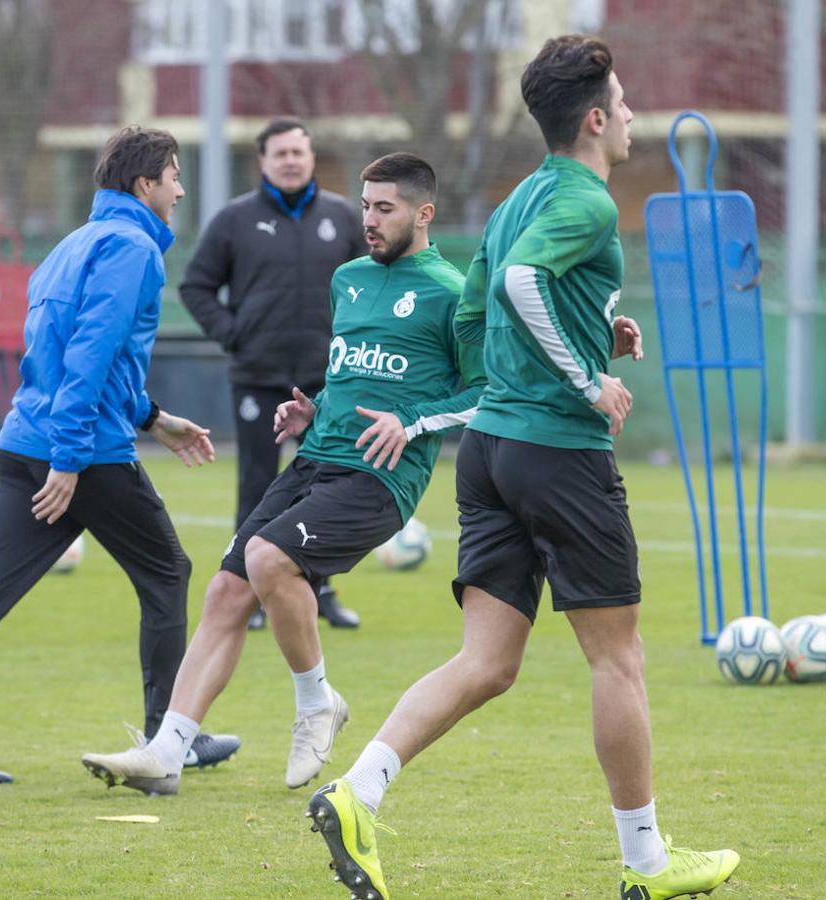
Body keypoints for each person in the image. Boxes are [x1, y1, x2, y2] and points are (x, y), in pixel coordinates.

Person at [307, 36, 741, 899]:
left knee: (487, 663)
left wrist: (582, 335)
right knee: (618, 660)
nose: (630, 116)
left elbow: (478, 307)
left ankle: (357, 793)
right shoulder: (582, 198)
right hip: (559, 454)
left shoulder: (516, 202)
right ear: (591, 119)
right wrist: (586, 379)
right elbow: (518, 290)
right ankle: (648, 864)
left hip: (493, 453)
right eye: (621, 104)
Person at [80, 152, 485, 797]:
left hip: (379, 477)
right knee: (225, 593)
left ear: (424, 213)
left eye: (385, 208)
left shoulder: (452, 292)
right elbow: (356, 374)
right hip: (315, 459)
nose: (370, 220)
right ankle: (166, 751)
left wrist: (408, 423)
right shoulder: (349, 278)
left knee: (269, 560)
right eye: (365, 206)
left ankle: (317, 703)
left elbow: (485, 393)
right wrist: (313, 408)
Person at [0, 126, 240, 786]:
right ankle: (167, 742)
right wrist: (70, 459)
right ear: (145, 186)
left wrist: (154, 418)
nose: (180, 187)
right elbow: (88, 355)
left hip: (25, 442)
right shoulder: (135, 247)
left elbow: (73, 359)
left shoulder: (75, 244)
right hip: (81, 454)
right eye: (173, 175)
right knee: (169, 572)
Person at [179, 116, 367, 630]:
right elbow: (195, 287)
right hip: (258, 377)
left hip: (327, 384)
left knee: (325, 489)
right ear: (262, 161)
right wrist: (235, 334)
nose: (290, 161)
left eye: (298, 153)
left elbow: (369, 289)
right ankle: (250, 595)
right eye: (279, 153)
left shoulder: (343, 218)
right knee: (259, 486)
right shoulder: (234, 220)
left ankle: (319, 592)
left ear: (311, 159)